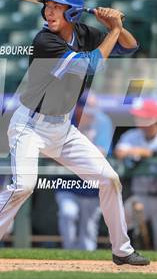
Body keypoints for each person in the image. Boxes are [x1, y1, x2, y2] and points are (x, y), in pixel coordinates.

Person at [0, 0, 149, 266]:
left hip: (63, 128)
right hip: (30, 125)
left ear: (73, 13)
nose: (49, 12)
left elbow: (130, 47)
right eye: (47, 6)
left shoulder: (85, 33)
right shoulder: (44, 41)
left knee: (109, 179)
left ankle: (122, 250)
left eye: (56, 7)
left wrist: (115, 25)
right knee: (24, 184)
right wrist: (114, 30)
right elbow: (92, 64)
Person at [115, 99, 157, 251]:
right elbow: (120, 151)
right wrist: (139, 152)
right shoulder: (131, 136)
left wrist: (142, 152)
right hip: (141, 196)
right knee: (122, 220)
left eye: (145, 117)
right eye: (139, 117)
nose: (140, 120)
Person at [55, 93, 112, 251]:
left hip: (92, 188)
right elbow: (53, 153)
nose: (92, 117)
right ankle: (68, 257)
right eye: (88, 112)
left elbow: (102, 154)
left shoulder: (102, 121)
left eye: (93, 112)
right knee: (68, 213)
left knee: (88, 234)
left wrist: (71, 154)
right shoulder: (64, 121)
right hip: (67, 183)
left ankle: (86, 269)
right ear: (78, 109)